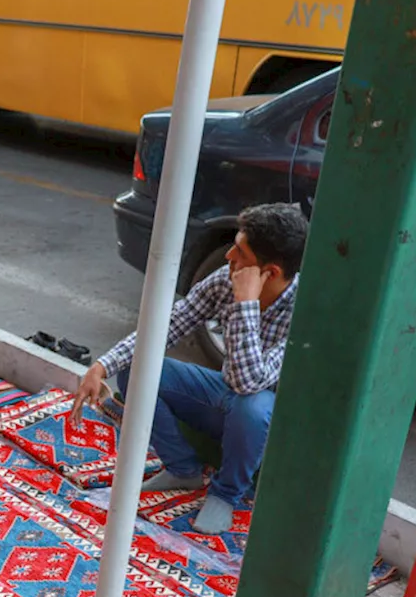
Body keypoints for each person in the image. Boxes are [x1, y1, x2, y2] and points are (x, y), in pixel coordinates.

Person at [71, 203, 310, 535]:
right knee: (138, 369)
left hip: (267, 422)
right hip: (225, 395)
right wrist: (101, 366)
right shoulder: (224, 280)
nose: (228, 257)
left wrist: (246, 305)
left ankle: (226, 494)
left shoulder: (304, 310)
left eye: (239, 252)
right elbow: (164, 328)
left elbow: (250, 383)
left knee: (251, 406)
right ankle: (183, 469)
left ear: (268, 272)